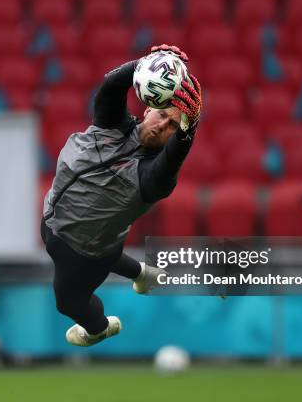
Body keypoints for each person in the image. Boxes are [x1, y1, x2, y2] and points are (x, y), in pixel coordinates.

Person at [41, 44, 202, 347]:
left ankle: (101, 328)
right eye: (162, 116)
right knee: (103, 241)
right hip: (55, 218)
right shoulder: (113, 124)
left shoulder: (153, 178)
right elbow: (110, 87)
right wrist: (147, 64)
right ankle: (143, 274)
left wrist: (188, 129)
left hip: (82, 255)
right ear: (149, 106)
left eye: (172, 127)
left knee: (68, 304)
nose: (163, 126)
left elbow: (172, 159)